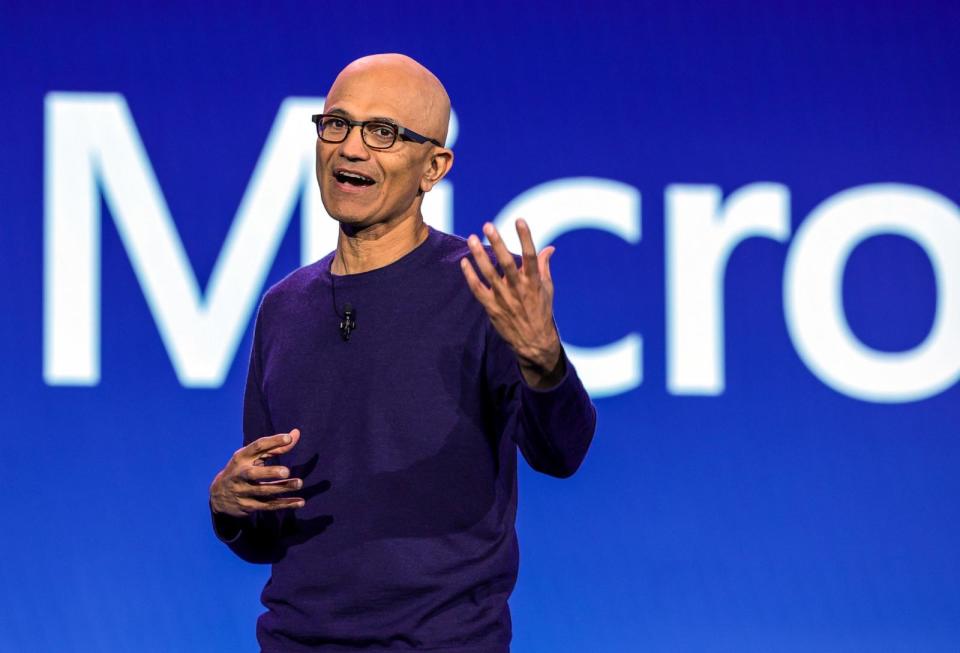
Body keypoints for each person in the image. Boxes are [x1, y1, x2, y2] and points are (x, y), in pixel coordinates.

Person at [209, 53, 597, 653]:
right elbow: (270, 529)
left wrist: (543, 360)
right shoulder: (283, 309)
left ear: (434, 166)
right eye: (335, 124)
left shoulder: (483, 292)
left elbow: (561, 452)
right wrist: (230, 507)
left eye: (383, 133)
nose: (351, 149)